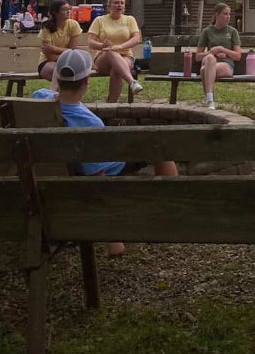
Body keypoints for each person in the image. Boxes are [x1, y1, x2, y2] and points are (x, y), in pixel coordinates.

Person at [33, 49, 177, 255]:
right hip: (94, 169)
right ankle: (171, 215)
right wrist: (113, 238)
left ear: (58, 77)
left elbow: (51, 93)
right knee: (162, 149)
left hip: (52, 171)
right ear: (87, 80)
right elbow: (97, 178)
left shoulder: (38, 98)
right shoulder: (91, 122)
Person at [88, 0, 143, 102]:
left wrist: (121, 46)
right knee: (110, 51)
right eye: (116, 3)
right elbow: (90, 42)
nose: (119, 5)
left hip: (126, 56)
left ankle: (111, 106)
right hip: (103, 58)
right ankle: (132, 82)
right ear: (109, 6)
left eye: (122, 3)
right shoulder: (99, 20)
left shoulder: (129, 19)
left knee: (117, 69)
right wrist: (102, 45)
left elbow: (136, 38)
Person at [195, 3, 241, 110]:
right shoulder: (207, 31)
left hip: (226, 65)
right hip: (210, 61)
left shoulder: (232, 31)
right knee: (210, 59)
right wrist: (212, 52)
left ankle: (209, 99)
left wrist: (222, 49)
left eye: (229, 14)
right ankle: (210, 99)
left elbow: (238, 56)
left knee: (203, 70)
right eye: (225, 14)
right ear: (217, 15)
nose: (228, 17)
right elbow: (198, 56)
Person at [38, 0, 82, 83]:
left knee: (72, 72)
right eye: (64, 9)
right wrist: (66, 52)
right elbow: (50, 56)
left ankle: (61, 95)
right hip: (47, 62)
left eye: (69, 9)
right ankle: (55, 94)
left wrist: (54, 49)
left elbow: (73, 50)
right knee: (60, 71)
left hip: (67, 61)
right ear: (56, 12)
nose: (68, 11)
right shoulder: (46, 27)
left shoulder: (73, 25)